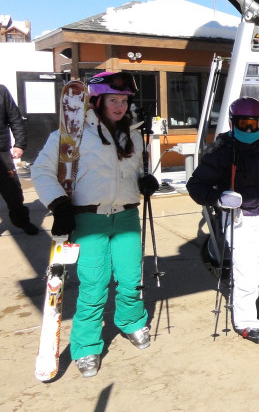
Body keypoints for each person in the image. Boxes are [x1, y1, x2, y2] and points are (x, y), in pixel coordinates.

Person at [31, 72, 160, 378]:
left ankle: (130, 321)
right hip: (89, 217)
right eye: (113, 100)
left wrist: (144, 181)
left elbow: (130, 173)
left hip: (126, 215)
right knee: (94, 285)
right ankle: (87, 345)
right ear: (97, 101)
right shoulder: (72, 132)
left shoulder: (131, 132)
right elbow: (41, 170)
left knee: (131, 279)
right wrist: (59, 205)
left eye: (124, 100)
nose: (119, 106)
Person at [186, 96, 259, 344]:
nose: (248, 129)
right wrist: (220, 198)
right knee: (246, 272)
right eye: (243, 124)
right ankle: (246, 322)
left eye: (253, 124)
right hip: (239, 219)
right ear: (233, 122)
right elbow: (196, 186)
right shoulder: (223, 151)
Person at [0, 84, 39, 235]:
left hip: (2, 153)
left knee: (14, 193)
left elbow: (15, 119)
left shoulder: (1, 91)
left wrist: (20, 144)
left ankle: (22, 221)